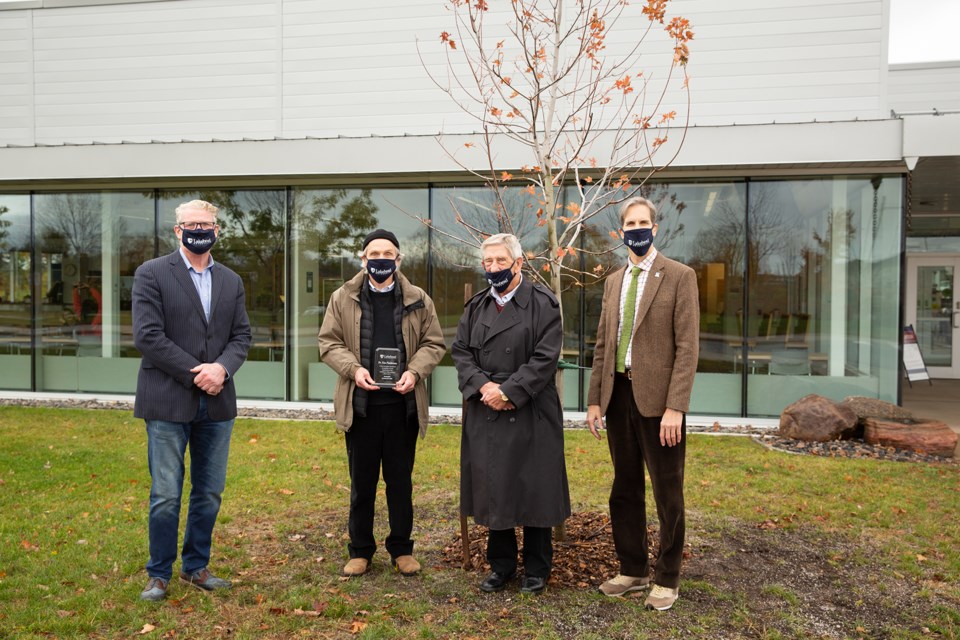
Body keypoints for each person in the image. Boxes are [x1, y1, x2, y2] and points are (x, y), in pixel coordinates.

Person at [132, 199, 252, 602]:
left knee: (210, 490)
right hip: (167, 399)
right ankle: (159, 573)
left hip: (217, 403)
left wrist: (222, 369)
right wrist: (198, 372)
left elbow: (241, 337)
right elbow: (148, 336)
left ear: (217, 230)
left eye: (207, 223)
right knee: (166, 492)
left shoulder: (232, 281)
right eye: (191, 223)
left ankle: (196, 567)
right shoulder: (151, 274)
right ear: (177, 230)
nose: (199, 229)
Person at [586, 197, 699, 611]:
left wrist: (677, 407)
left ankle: (667, 577)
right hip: (618, 398)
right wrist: (596, 400)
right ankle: (633, 570)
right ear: (621, 232)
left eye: (643, 222)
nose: (636, 228)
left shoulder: (680, 276)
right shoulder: (614, 280)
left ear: (655, 228)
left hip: (660, 404)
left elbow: (688, 347)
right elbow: (603, 344)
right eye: (629, 223)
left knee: (668, 492)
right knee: (625, 488)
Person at [318, 229, 445, 579]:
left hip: (402, 406)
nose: (381, 259)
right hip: (360, 406)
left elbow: (434, 344)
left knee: (400, 483)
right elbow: (328, 343)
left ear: (399, 259)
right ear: (362, 259)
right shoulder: (343, 297)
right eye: (374, 253)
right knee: (362, 483)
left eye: (388, 253)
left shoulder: (419, 298)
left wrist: (415, 372)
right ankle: (360, 550)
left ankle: (402, 549)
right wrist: (353, 369)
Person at [451, 233, 571, 596]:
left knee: (534, 488)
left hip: (531, 406)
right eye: (488, 262)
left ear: (519, 263)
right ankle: (500, 566)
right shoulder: (475, 307)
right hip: (487, 408)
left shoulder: (543, 303)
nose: (493, 268)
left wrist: (510, 392)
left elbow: (545, 357)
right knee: (494, 487)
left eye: (501, 261)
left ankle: (537, 567)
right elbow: (460, 352)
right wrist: (485, 388)